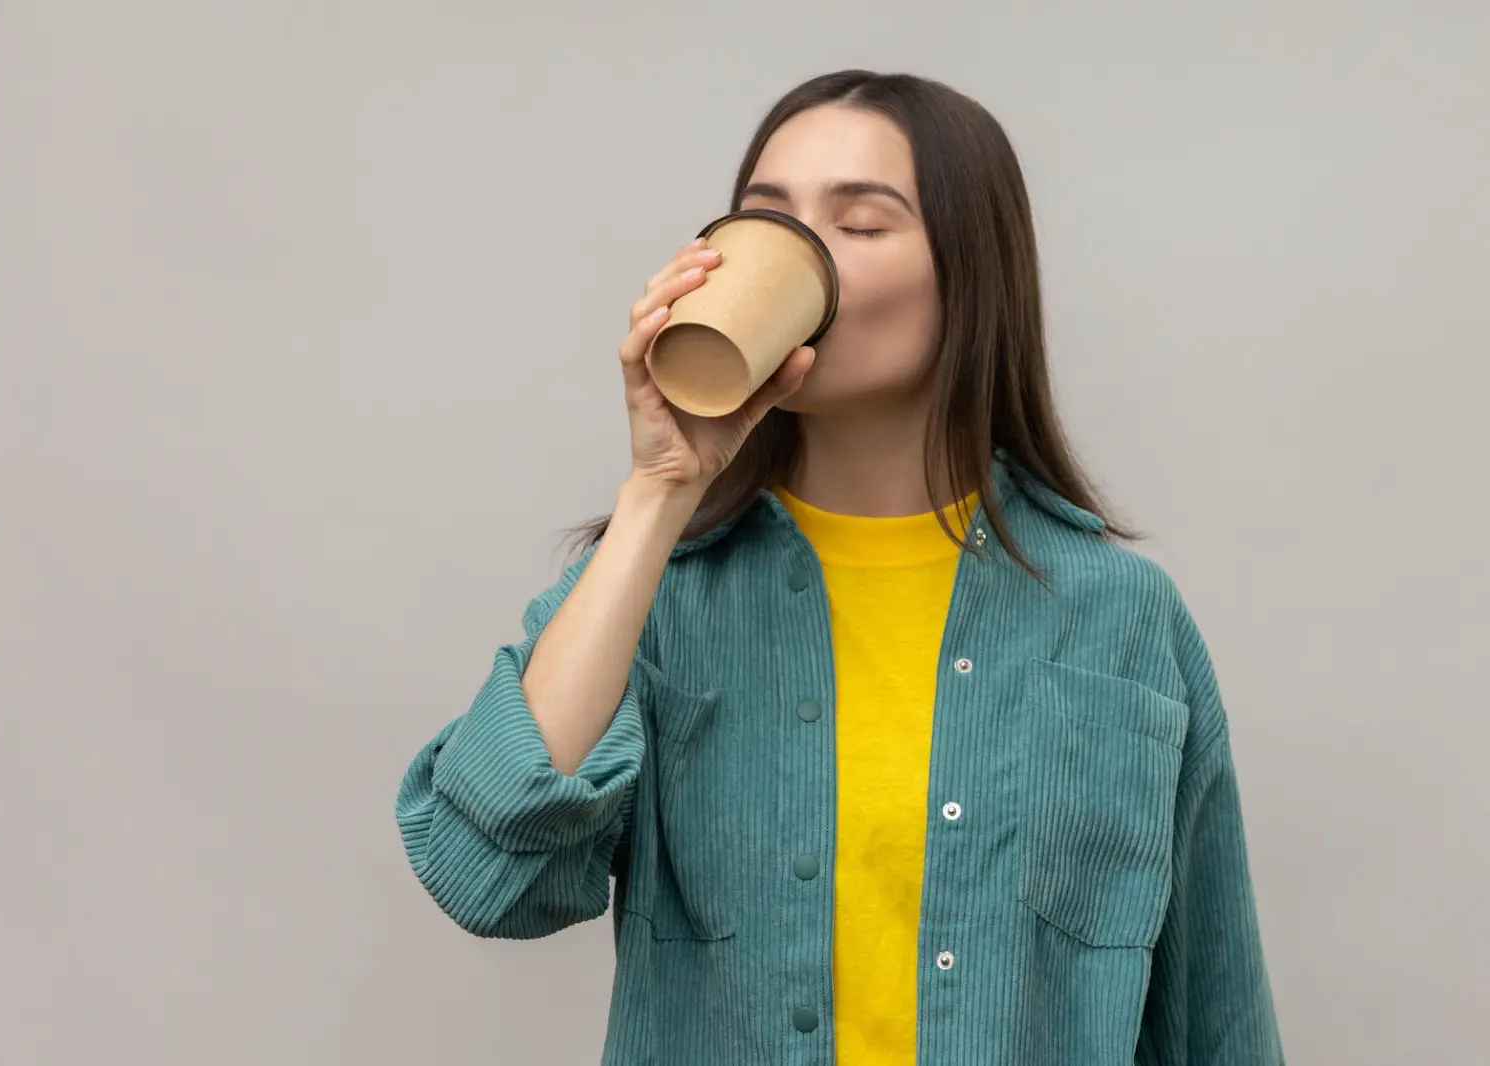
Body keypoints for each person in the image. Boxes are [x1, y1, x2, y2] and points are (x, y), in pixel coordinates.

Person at [395, 69, 1283, 1065]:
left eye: (859, 224)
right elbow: (483, 867)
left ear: (968, 272)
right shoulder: (661, 591)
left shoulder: (1119, 618)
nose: (805, 252)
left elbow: (1213, 1021)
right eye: (769, 219)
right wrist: (659, 489)